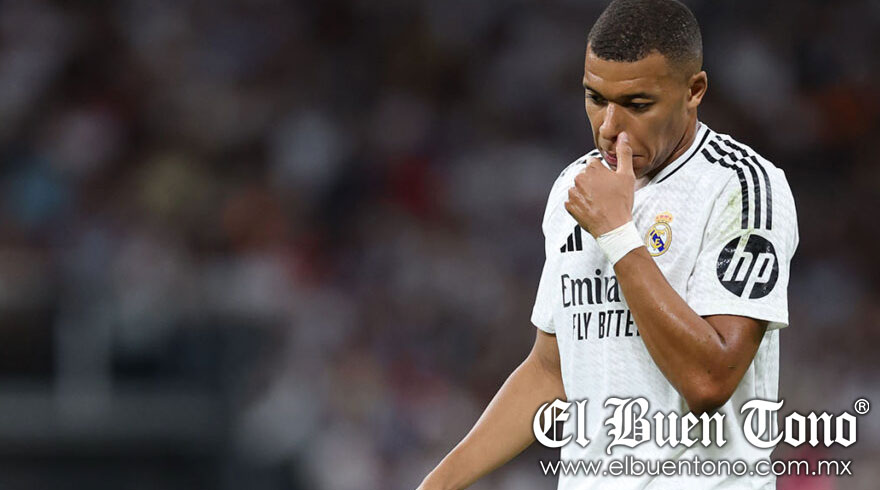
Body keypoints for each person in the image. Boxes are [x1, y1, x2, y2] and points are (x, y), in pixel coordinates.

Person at [417, 0, 798, 489]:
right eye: (595, 98)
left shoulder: (741, 187)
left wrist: (618, 234)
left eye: (637, 105)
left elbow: (710, 380)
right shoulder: (575, 188)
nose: (609, 127)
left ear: (693, 91)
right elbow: (551, 370)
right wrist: (437, 484)